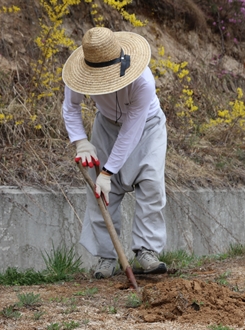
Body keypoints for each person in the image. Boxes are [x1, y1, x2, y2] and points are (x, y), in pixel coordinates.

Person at [62, 27, 167, 279]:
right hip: (106, 125)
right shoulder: (80, 75)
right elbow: (71, 107)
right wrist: (80, 142)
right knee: (99, 194)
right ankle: (107, 256)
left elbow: (131, 131)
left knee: (151, 183)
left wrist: (108, 172)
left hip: (147, 127)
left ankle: (147, 251)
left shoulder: (143, 81)